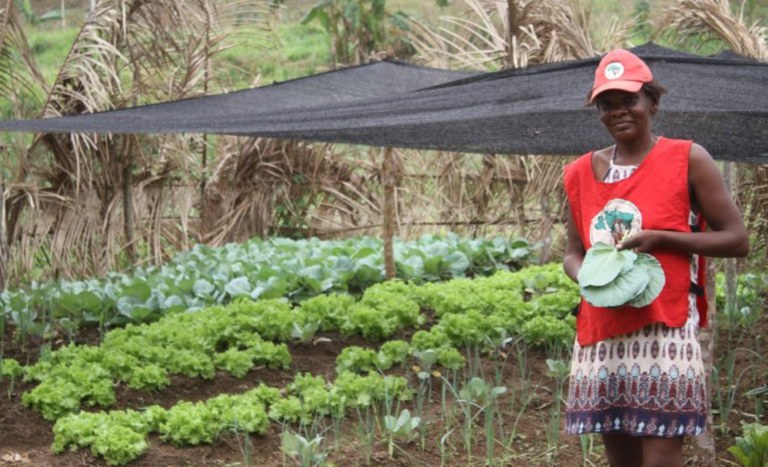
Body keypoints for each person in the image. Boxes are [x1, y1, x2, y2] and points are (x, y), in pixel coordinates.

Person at [562, 48, 748, 467]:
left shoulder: (687, 158)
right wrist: (594, 277)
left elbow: (737, 239)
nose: (618, 111)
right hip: (603, 330)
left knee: (662, 455)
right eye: (607, 105)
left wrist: (664, 239)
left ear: (652, 103)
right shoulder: (578, 173)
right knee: (620, 457)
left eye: (629, 100)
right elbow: (573, 254)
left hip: (664, 328)